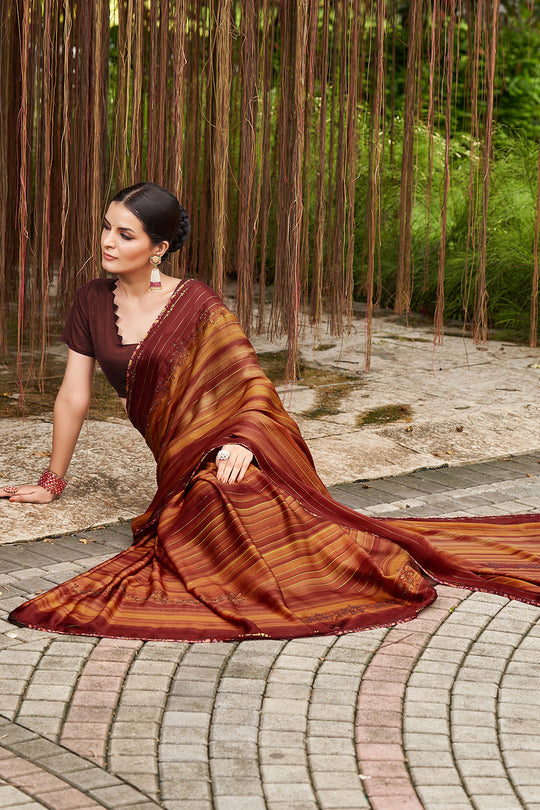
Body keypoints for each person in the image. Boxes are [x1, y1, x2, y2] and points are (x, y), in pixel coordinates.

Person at [2, 182, 540, 643]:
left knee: (238, 495)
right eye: (106, 227)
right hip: (178, 454)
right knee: (208, 504)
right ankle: (279, 580)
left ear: (158, 248)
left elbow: (252, 384)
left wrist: (242, 440)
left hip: (235, 443)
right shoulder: (91, 300)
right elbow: (72, 396)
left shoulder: (196, 302)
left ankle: (320, 578)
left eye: (125, 234)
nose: (107, 241)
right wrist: (52, 482)